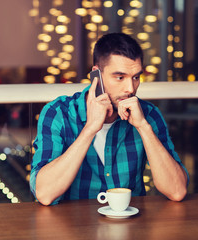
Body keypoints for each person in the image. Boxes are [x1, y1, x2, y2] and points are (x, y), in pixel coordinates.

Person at [30, 33, 189, 205]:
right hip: (72, 227)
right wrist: (90, 129)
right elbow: (45, 194)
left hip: (132, 227)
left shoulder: (148, 115)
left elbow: (177, 191)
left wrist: (143, 127)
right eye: (120, 77)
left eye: (136, 77)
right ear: (96, 75)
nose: (130, 88)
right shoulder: (58, 113)